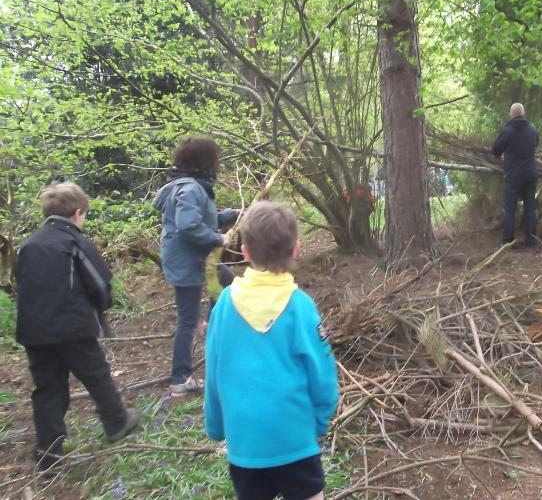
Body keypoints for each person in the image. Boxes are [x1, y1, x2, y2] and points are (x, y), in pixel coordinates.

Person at [204, 201, 339, 500]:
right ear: (296, 249)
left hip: (244, 443)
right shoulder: (301, 306)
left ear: (245, 252)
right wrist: (319, 419)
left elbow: (213, 369)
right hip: (295, 439)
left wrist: (215, 425)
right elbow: (323, 371)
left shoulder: (225, 304)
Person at [15, 182, 139, 472]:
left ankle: (49, 450)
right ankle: (116, 421)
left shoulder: (28, 245)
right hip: (73, 326)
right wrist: (101, 305)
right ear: (77, 212)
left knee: (48, 387)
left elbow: (21, 282)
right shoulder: (75, 242)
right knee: (96, 375)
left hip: (34, 331)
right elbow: (100, 284)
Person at [153, 137, 241, 396]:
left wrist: (231, 215)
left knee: (227, 283)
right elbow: (189, 225)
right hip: (187, 261)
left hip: (195, 258)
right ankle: (180, 377)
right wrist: (219, 238)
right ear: (205, 161)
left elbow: (202, 218)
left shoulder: (191, 186)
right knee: (187, 320)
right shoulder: (190, 188)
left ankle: (211, 325)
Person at [491, 103, 539, 248]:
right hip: (531, 173)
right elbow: (535, 145)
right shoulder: (532, 129)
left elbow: (495, 150)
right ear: (523, 113)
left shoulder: (508, 131)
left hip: (514, 174)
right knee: (530, 208)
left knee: (510, 208)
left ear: (511, 114)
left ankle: (508, 241)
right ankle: (530, 241)